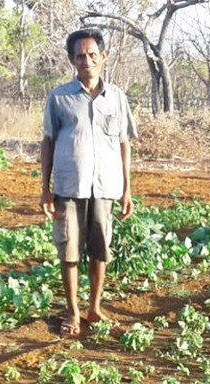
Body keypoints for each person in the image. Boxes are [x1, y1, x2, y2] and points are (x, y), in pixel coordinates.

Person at [40, 28, 137, 336]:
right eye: (80, 56)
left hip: (105, 187)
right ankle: (72, 311)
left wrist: (127, 189)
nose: (87, 61)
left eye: (92, 54)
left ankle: (94, 308)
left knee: (99, 249)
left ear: (103, 56)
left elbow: (123, 143)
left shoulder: (117, 98)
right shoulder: (59, 98)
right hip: (69, 187)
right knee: (69, 252)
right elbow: (48, 142)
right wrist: (45, 189)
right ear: (72, 60)